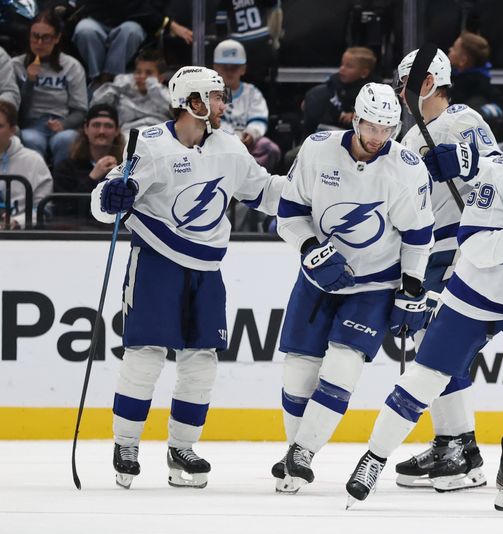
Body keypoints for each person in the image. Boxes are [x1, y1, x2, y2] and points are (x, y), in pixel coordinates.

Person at [345, 97, 503, 513]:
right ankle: (372, 458)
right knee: (423, 383)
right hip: (472, 298)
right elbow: (474, 246)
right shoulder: (502, 173)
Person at [89, 66, 286, 490]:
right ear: (193, 101)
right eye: (215, 97)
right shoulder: (150, 145)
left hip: (207, 269)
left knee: (202, 361)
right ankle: (126, 444)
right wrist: (110, 196)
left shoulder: (231, 149)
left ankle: (183, 447)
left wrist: (313, 191)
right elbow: (105, 200)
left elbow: (266, 193)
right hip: (157, 261)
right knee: (145, 355)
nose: (223, 104)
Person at [272, 82, 435, 494]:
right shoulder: (317, 148)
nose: (379, 137)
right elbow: (288, 214)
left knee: (343, 366)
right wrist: (310, 249)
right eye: (372, 127)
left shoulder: (407, 167)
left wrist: (411, 288)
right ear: (356, 120)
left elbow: (418, 235)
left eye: (387, 129)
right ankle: (295, 451)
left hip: (375, 283)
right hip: (317, 278)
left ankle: (303, 453)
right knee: (298, 374)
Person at [389, 47, 499, 492]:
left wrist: (465, 163)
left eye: (404, 84)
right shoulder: (412, 136)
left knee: (437, 346)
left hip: (461, 248)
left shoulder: (462, 120)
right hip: (433, 251)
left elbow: (499, 174)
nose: (399, 93)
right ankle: (453, 444)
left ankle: (460, 449)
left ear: (427, 83)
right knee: (430, 346)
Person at [12, 9, 87, 166]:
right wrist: (29, 83)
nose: (39, 43)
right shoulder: (16, 65)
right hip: (30, 124)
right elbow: (15, 112)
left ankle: (62, 187)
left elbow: (80, 110)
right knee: (30, 139)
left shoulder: (71, 66)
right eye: (35, 36)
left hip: (61, 124)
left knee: (66, 139)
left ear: (57, 37)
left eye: (45, 37)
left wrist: (64, 124)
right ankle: (33, 188)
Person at [71, 0, 191, 86]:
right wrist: (169, 24)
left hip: (133, 21)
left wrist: (167, 23)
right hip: (97, 19)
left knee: (129, 31)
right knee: (85, 30)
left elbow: (144, 7)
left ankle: (113, 78)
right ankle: (97, 77)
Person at [213, 39, 281, 172]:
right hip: (219, 144)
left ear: (243, 69)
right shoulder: (209, 93)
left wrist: (251, 134)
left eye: (234, 67)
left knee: (270, 148)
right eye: (224, 67)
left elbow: (258, 120)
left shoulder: (252, 93)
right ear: (215, 67)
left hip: (247, 144)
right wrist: (231, 139)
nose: (229, 71)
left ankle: (250, 178)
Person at [52, 104, 123, 225]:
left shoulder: (127, 168)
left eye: (108, 126)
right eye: (96, 125)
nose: (102, 131)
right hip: (79, 235)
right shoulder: (66, 168)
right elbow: (63, 211)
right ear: (86, 129)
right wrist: (92, 177)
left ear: (117, 131)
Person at [90, 49, 171, 138]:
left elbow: (177, 114)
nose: (142, 76)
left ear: (161, 78)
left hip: (158, 134)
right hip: (126, 136)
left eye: (149, 73)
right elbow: (95, 107)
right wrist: (116, 86)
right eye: (138, 72)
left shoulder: (169, 96)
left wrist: (155, 90)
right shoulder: (122, 91)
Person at [301, 47, 379, 137]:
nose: (342, 69)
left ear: (364, 73)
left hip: (352, 135)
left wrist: (358, 116)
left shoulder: (373, 91)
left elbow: (375, 115)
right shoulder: (335, 82)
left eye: (349, 66)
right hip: (326, 128)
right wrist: (310, 102)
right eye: (342, 64)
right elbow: (322, 95)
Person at [0, 100, 52, 229]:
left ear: (13, 129)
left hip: (21, 238)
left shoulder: (34, 161)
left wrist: (17, 222)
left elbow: (43, 210)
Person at [448, 31, 503, 121]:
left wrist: (482, 112)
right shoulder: (452, 78)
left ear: (463, 60)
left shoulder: (479, 85)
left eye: (454, 48)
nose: (450, 49)